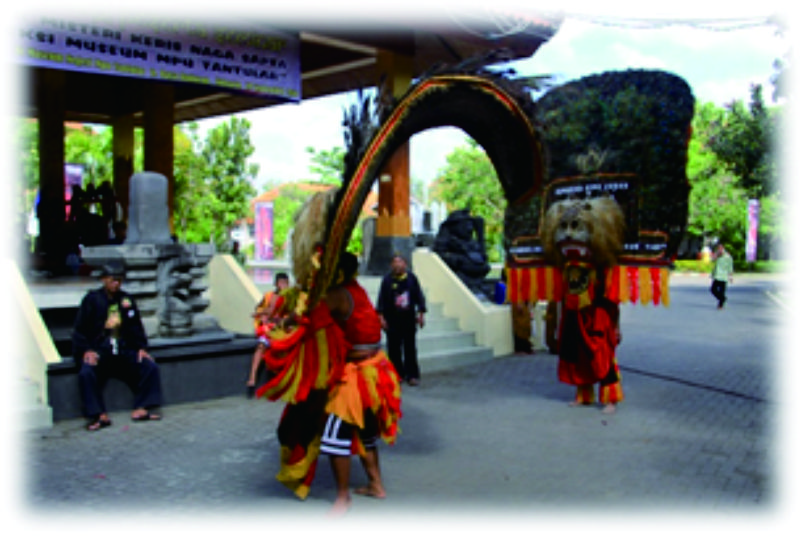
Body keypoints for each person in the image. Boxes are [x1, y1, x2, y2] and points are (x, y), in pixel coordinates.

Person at [321, 251, 402, 515]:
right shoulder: (359, 290)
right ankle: (376, 485)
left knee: (334, 435)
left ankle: (343, 497)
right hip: (377, 369)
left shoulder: (337, 294)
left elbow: (312, 321)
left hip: (358, 374)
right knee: (366, 433)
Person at [72, 262, 163, 431]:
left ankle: (142, 407)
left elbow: (136, 326)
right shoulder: (92, 299)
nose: (116, 284)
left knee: (149, 367)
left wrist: (141, 347)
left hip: (123, 348)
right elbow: (80, 330)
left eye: (119, 280)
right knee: (86, 373)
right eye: (113, 280)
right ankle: (98, 415)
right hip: (100, 349)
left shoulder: (126, 299)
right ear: (104, 279)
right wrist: (87, 350)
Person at [376, 253, 427, 385]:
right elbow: (381, 300)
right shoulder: (387, 280)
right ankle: (397, 374)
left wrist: (421, 314)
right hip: (392, 320)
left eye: (400, 262)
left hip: (408, 319)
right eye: (395, 262)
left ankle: (412, 375)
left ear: (405, 264)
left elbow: (419, 297)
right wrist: (381, 318)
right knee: (393, 349)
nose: (397, 265)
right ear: (391, 265)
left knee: (410, 348)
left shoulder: (411, 279)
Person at [246, 271, 290, 397]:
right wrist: (262, 315)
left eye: (285, 283)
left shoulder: (291, 297)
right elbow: (260, 309)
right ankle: (252, 379)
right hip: (268, 329)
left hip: (283, 330)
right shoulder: (269, 296)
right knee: (260, 346)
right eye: (281, 283)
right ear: (276, 284)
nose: (283, 285)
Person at [710, 242, 734, 309]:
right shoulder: (717, 255)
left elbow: (730, 267)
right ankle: (723, 298)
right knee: (713, 290)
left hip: (724, 277)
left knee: (722, 291)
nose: (720, 250)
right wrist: (716, 255)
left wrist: (731, 276)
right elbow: (712, 260)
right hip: (717, 275)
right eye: (718, 248)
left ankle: (720, 304)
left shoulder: (728, 257)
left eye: (721, 248)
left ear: (724, 249)